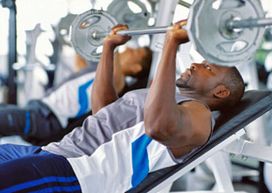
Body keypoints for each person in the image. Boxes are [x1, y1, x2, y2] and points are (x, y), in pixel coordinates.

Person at [0, 21, 245, 192]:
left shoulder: (200, 115)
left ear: (220, 91)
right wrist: (108, 48)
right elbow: (103, 110)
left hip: (76, 171)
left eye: (208, 68)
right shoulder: (165, 98)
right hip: (51, 153)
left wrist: (171, 44)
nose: (194, 66)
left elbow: (158, 128)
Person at [0, 47, 152, 145]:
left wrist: (114, 45)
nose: (129, 49)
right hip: (39, 108)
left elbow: (116, 83)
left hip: (47, 118)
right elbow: (80, 63)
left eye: (134, 52)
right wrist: (82, 37)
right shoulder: (101, 71)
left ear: (136, 67)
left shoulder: (117, 85)